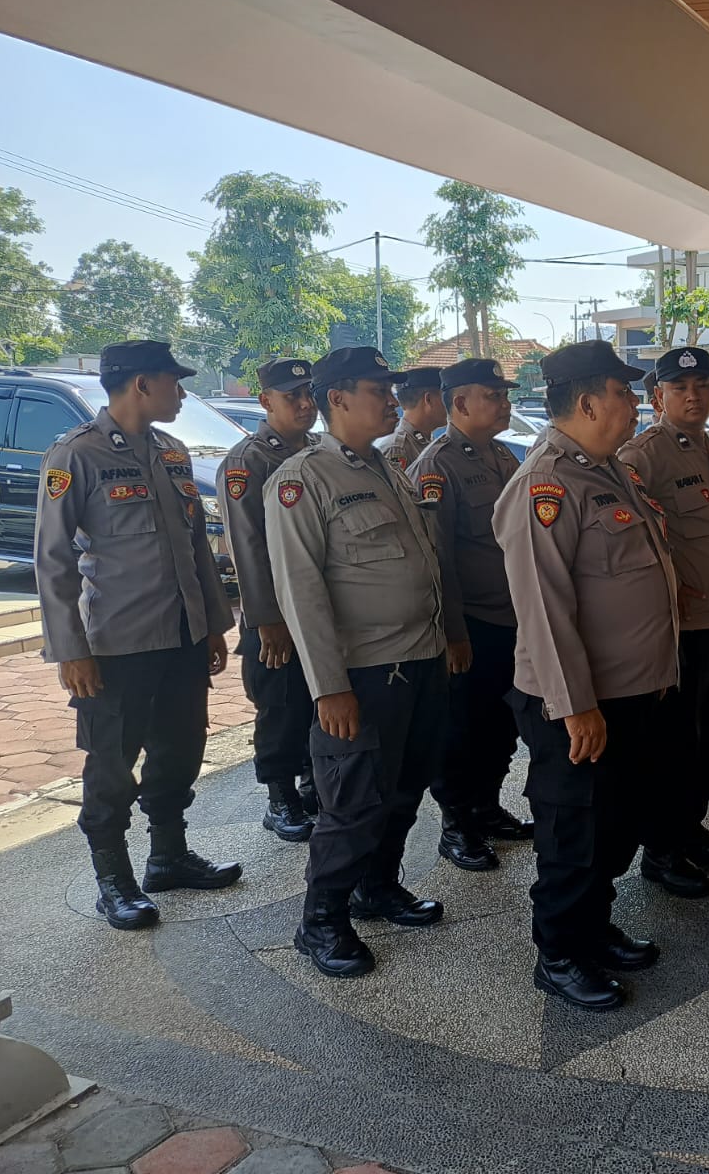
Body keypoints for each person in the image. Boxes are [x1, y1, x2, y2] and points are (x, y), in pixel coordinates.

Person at [493, 339, 677, 1011]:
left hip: (629, 695)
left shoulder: (607, 470)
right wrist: (577, 707)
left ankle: (594, 930)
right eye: (625, 393)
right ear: (589, 400)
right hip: (577, 703)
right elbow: (544, 608)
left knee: (615, 823)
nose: (634, 405)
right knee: (576, 833)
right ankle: (561, 953)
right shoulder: (545, 484)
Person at [34, 339, 240, 931]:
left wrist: (211, 626)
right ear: (141, 385)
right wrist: (70, 650)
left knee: (180, 750)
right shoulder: (74, 456)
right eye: (173, 382)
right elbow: (52, 562)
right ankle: (114, 881)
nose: (181, 392)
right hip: (116, 646)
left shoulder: (173, 454)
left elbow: (198, 547)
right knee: (111, 765)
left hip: (180, 637)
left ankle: (168, 858)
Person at [266, 346, 448, 979]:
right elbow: (301, 593)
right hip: (361, 675)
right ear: (336, 398)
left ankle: (378, 887)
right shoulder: (302, 479)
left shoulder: (386, 467)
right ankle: (321, 922)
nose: (392, 400)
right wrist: (328, 688)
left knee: (405, 788)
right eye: (379, 390)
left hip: (419, 661)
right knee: (352, 804)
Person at [620, 346, 709, 901]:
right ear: (658, 397)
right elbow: (631, 539)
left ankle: (690, 828)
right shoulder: (642, 455)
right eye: (681, 387)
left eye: (702, 385)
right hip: (684, 629)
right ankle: (662, 849)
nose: (694, 395)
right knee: (677, 741)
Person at [409, 357, 535, 874]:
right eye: (494, 395)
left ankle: (487, 806)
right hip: (473, 624)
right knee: (463, 729)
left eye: (505, 395)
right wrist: (454, 633)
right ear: (459, 403)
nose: (505, 404)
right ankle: (457, 825)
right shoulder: (436, 466)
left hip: (513, 617)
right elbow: (438, 560)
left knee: (502, 724)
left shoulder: (504, 456)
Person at [220, 357, 320, 843]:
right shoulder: (249, 461)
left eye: (309, 395)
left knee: (316, 703)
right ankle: (280, 798)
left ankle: (311, 786)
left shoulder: (321, 451)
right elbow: (247, 547)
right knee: (280, 707)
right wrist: (266, 620)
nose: (305, 405)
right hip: (277, 613)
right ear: (265, 402)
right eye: (292, 397)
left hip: (319, 609)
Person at [381, 365, 445, 472]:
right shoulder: (397, 450)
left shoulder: (428, 440)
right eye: (445, 397)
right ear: (428, 399)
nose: (450, 405)